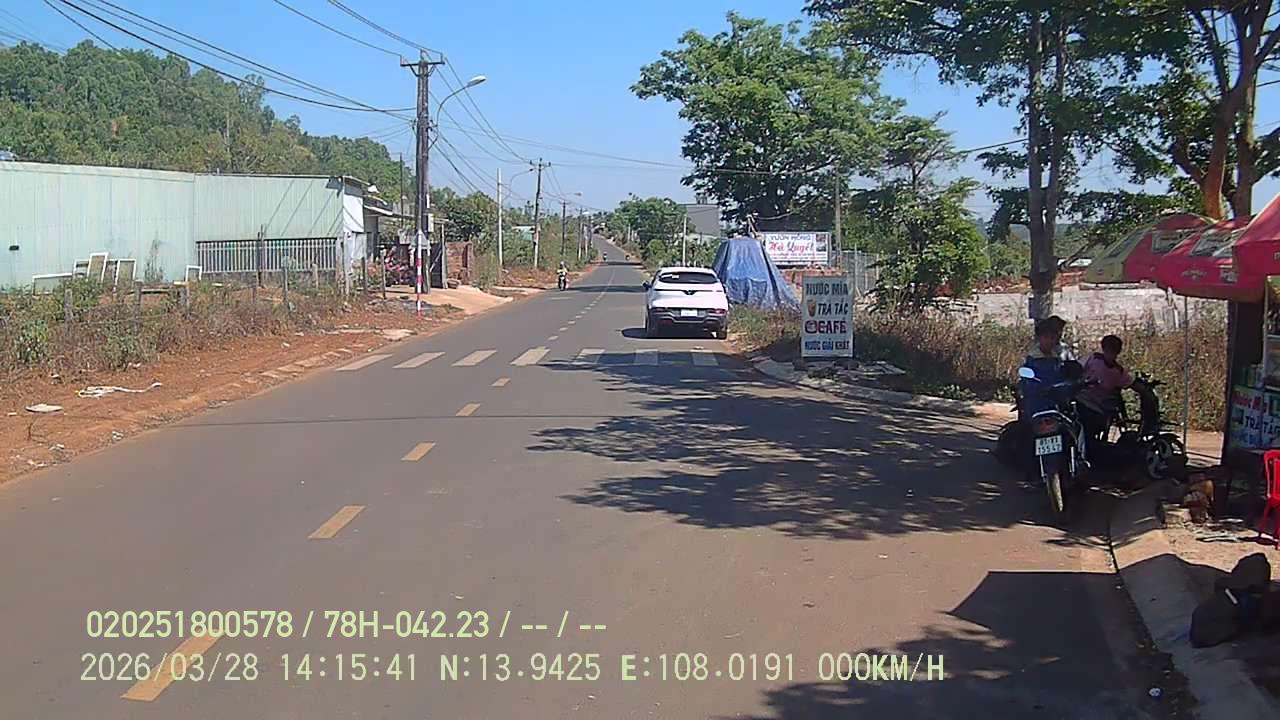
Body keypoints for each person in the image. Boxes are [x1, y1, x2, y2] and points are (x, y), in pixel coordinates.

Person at [1079, 335, 1134, 440]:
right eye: (1109, 350)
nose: (1111, 354)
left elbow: (1129, 383)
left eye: (1114, 351)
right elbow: (1076, 369)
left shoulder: (1118, 371)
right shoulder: (1092, 359)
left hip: (1100, 406)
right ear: (1104, 348)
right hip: (1083, 399)